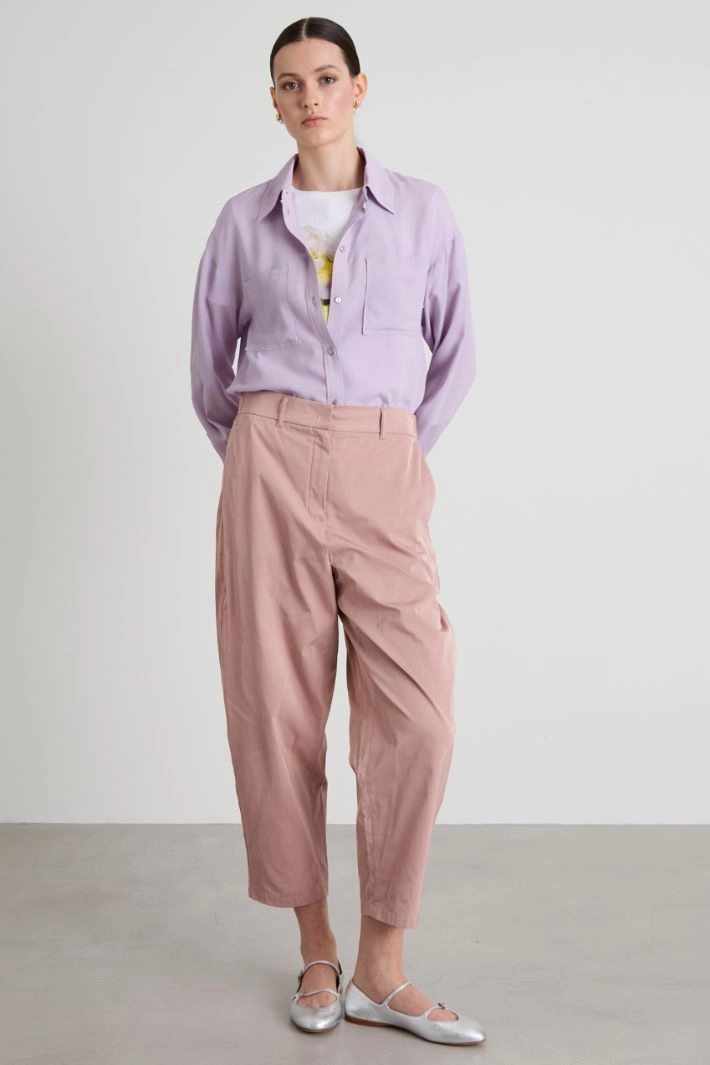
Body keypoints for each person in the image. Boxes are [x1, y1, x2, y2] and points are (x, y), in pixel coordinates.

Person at [190, 16, 486, 1047]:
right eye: (289, 83)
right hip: (267, 462)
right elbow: (209, 374)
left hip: (384, 462)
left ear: (359, 88)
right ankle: (317, 951)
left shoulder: (423, 212)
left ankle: (382, 968)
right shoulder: (241, 221)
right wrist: (265, 454)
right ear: (273, 102)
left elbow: (454, 354)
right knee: (274, 711)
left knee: (418, 717)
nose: (308, 96)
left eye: (325, 77)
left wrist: (390, 451)